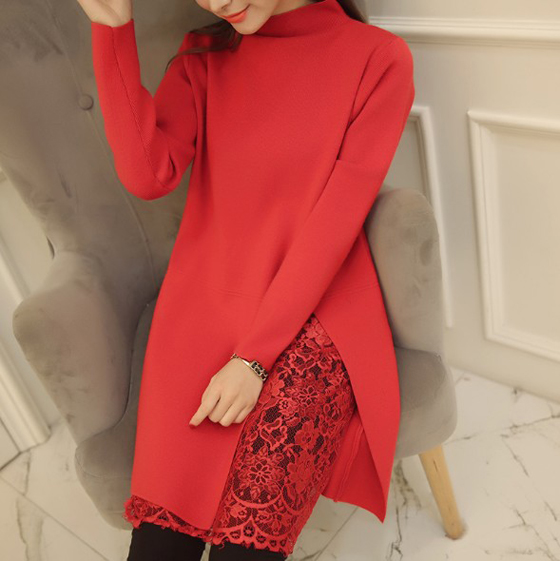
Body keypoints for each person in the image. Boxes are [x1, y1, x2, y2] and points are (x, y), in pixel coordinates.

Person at [77, 0, 415, 558]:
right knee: (158, 544)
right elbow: (148, 175)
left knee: (246, 549)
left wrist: (253, 360)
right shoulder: (204, 55)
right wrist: (111, 30)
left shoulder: (379, 58)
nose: (215, 2)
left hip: (315, 313)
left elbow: (333, 226)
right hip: (203, 306)